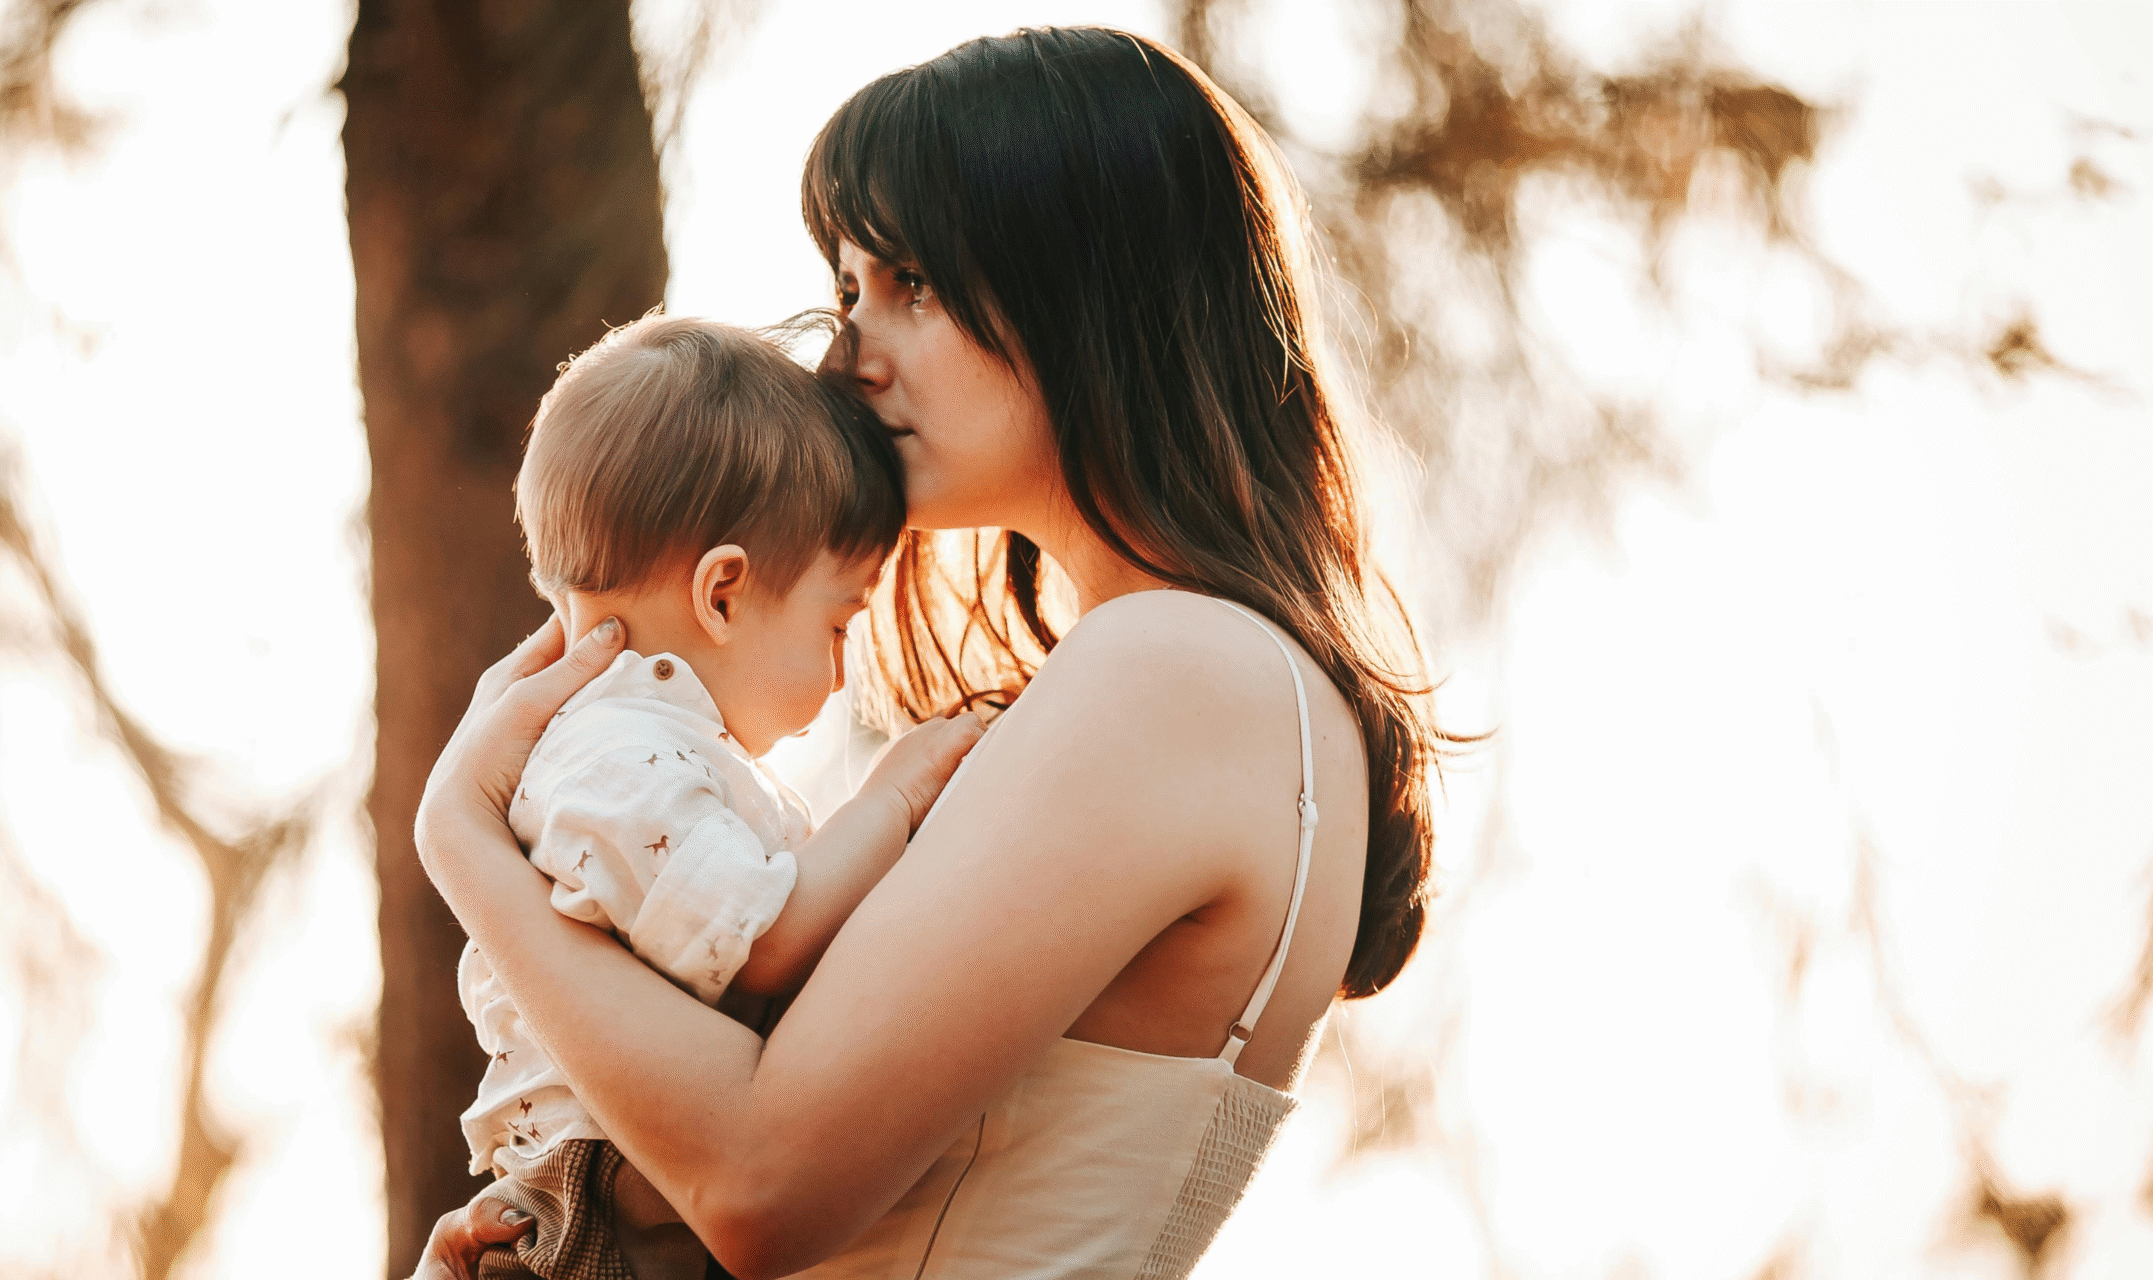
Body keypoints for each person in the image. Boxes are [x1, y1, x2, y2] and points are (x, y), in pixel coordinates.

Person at [413, 26, 1450, 1279]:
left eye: (909, 284)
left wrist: (465, 843)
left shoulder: (1171, 668)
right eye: (848, 290)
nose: (850, 355)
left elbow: (758, 1181)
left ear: (1087, 287)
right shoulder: (1201, 674)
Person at [447, 314, 985, 1279]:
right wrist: (895, 798)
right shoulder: (621, 761)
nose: (841, 666)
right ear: (723, 593)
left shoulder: (634, 751)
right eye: (839, 619)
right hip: (597, 1224)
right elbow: (765, 942)